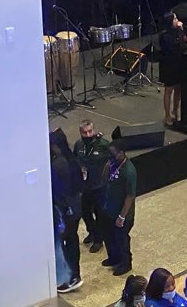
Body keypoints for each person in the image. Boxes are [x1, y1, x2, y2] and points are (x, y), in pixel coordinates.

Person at [51, 129, 83, 293]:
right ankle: (74, 274)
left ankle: (70, 277)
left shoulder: (58, 165)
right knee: (72, 240)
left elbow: (58, 193)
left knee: (65, 243)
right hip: (75, 207)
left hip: (66, 211)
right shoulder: (71, 159)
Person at [100, 138, 137, 277]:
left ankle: (126, 263)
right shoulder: (113, 165)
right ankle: (114, 257)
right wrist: (107, 166)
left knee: (121, 239)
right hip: (109, 209)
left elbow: (130, 195)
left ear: (121, 153)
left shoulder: (129, 171)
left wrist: (122, 216)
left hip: (122, 214)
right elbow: (104, 180)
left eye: (113, 154)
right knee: (108, 235)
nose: (111, 156)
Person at [74, 120, 111, 251]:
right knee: (85, 212)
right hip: (85, 186)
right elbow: (76, 161)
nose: (88, 135)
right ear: (80, 132)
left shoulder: (103, 144)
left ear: (93, 130)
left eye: (90, 131)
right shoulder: (78, 145)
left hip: (100, 187)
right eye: (85, 132)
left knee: (99, 214)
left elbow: (113, 160)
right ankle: (92, 232)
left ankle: (99, 239)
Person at [159, 11, 187, 126]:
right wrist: (180, 33)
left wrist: (182, 30)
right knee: (169, 90)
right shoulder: (164, 35)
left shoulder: (179, 31)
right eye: (175, 19)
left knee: (178, 90)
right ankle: (167, 115)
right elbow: (173, 47)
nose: (177, 20)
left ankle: (175, 111)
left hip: (180, 63)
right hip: (169, 65)